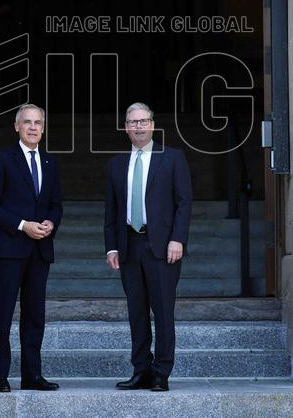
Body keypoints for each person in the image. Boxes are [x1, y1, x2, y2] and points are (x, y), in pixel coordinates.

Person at [104, 102, 192, 392]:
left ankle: (161, 373)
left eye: (143, 121)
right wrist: (112, 247)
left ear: (153, 124)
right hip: (129, 245)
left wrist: (177, 239)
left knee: (163, 312)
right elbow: (112, 211)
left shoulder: (172, 158)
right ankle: (141, 369)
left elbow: (184, 203)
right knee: (136, 312)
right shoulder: (117, 164)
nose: (138, 126)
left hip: (163, 247)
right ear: (126, 128)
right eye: (133, 122)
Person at [0, 103, 63, 393]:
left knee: (34, 317)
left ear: (43, 128)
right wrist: (22, 225)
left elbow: (56, 204)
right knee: (2, 314)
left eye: (38, 122)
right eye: (27, 122)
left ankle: (32, 375)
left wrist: (50, 223)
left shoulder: (50, 162)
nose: (33, 127)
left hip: (39, 250)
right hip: (8, 249)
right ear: (16, 126)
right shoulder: (2, 160)